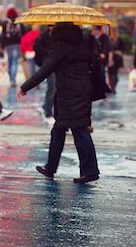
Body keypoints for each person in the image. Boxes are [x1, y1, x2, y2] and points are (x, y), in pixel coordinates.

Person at [17, 22, 100, 184]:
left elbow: (45, 69)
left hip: (70, 92)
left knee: (79, 129)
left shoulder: (60, 45)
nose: (50, 29)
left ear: (58, 28)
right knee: (59, 129)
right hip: (82, 88)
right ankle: (50, 167)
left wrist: (25, 87)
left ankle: (90, 170)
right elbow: (93, 60)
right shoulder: (84, 40)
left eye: (52, 27)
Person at [34, 27, 55, 126]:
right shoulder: (43, 36)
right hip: (48, 64)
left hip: (57, 64)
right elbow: (37, 48)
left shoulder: (60, 36)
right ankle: (48, 114)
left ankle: (44, 107)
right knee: (52, 88)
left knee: (56, 88)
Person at [0, 6, 24, 87]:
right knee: (15, 62)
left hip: (8, 45)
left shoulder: (5, 23)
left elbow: (3, 35)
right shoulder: (19, 22)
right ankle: (13, 79)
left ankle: (11, 78)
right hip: (17, 44)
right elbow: (23, 33)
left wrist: (2, 46)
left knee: (10, 61)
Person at [107, 27, 124, 94]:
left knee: (111, 74)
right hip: (116, 58)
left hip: (113, 58)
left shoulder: (110, 39)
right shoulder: (117, 38)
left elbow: (108, 49)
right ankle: (113, 88)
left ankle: (112, 88)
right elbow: (122, 49)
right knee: (114, 74)